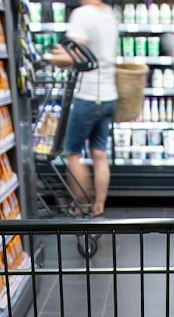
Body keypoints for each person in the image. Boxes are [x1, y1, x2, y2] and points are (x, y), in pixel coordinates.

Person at [47, 0, 118, 218]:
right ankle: (98, 205)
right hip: (109, 94)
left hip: (87, 96)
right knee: (99, 153)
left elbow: (75, 57)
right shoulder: (109, 13)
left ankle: (81, 205)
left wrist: (48, 57)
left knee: (73, 154)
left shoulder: (82, 14)